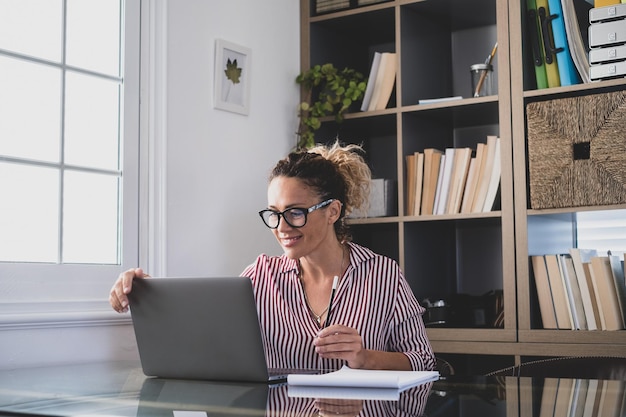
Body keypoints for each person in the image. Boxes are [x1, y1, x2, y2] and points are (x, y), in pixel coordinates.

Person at [110, 141, 435, 372]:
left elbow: (423, 360)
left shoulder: (382, 275)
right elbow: (206, 342)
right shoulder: (260, 276)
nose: (281, 227)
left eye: (295, 213)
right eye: (273, 213)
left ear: (333, 211)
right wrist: (148, 296)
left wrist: (365, 358)